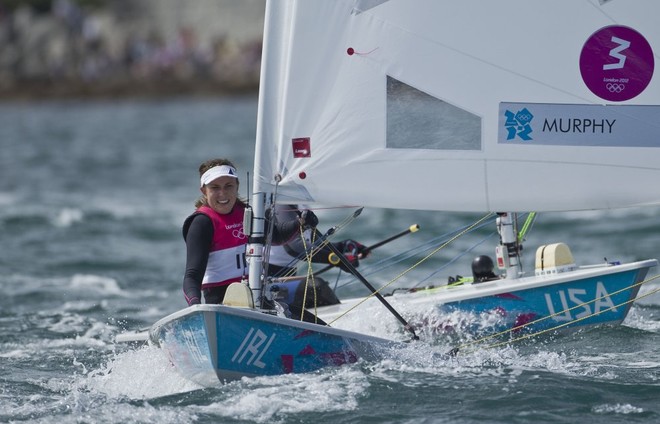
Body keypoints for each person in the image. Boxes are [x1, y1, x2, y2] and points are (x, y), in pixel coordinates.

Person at [181, 159, 318, 306]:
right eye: (215, 188)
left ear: (237, 186)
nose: (223, 193)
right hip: (222, 303)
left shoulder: (245, 213)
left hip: (258, 296)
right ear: (204, 191)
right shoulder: (201, 223)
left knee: (317, 314)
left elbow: (276, 235)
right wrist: (195, 307)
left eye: (228, 186)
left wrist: (301, 223)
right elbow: (192, 276)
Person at [266, 204, 370, 308]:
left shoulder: (301, 206)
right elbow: (295, 247)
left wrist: (343, 246)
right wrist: (336, 259)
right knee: (316, 287)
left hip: (285, 282)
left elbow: (314, 243)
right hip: (268, 284)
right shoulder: (283, 204)